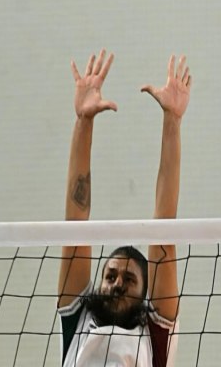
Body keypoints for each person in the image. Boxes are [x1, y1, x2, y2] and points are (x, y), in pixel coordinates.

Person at [57, 50, 191, 366]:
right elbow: (75, 224)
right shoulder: (79, 320)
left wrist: (172, 121)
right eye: (111, 276)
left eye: (129, 280)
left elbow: (164, 232)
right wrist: (83, 121)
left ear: (145, 293)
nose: (117, 284)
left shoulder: (154, 333)